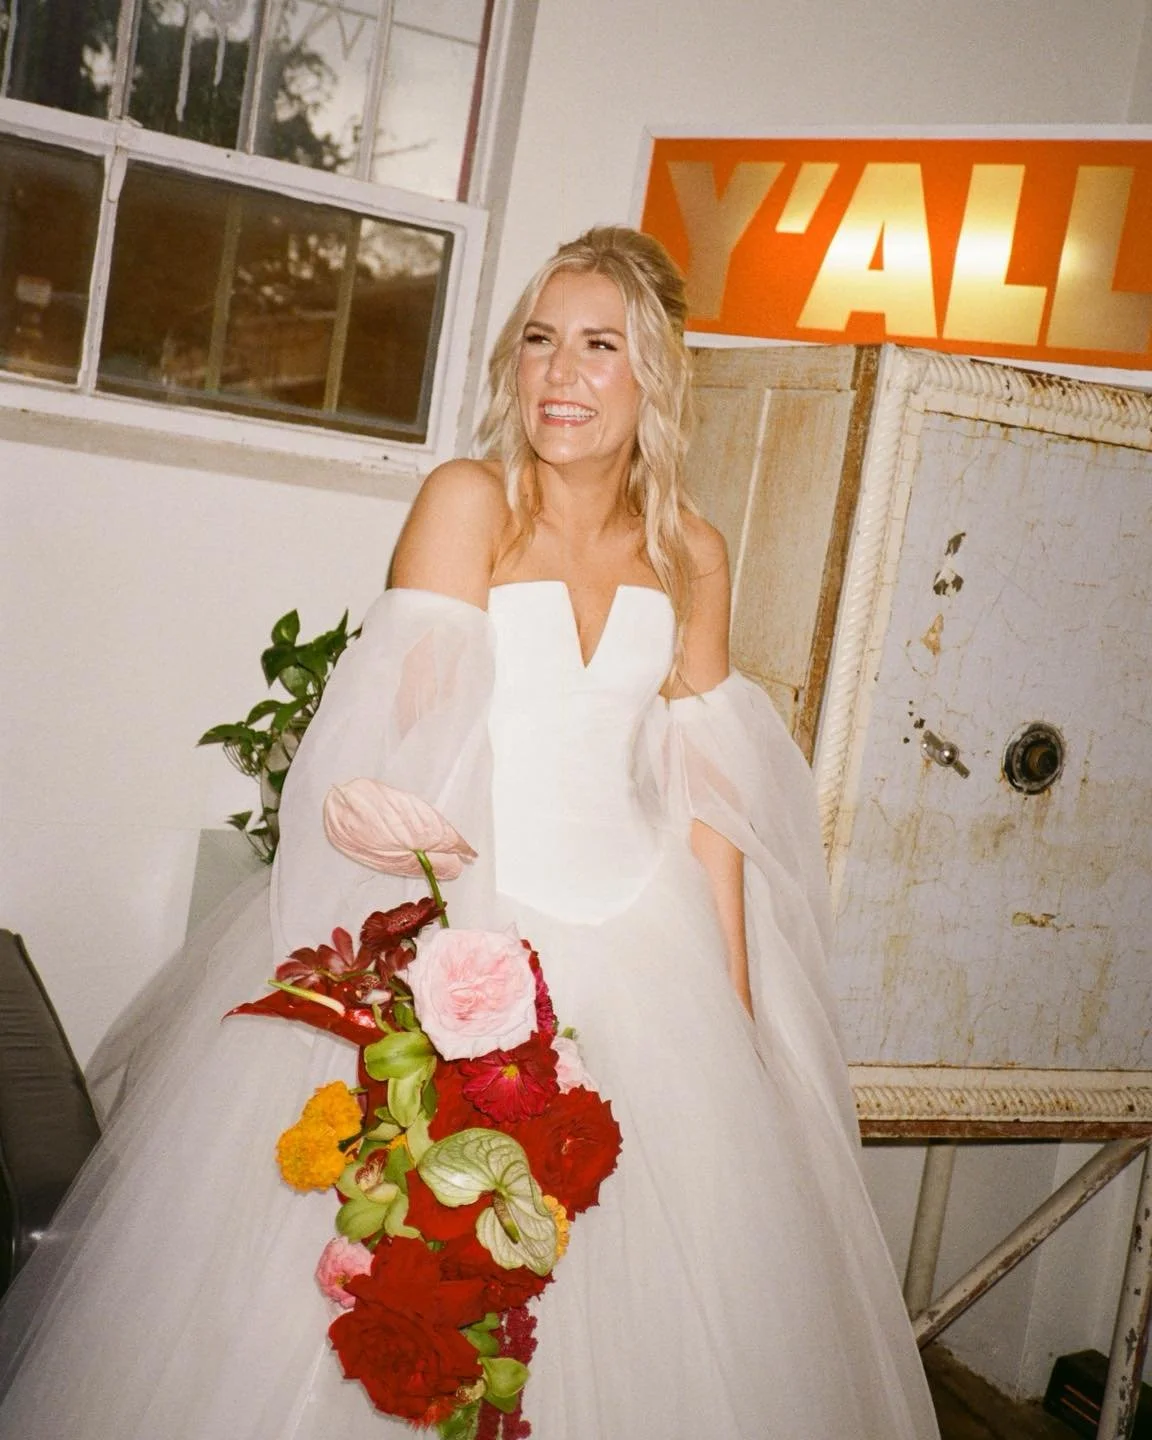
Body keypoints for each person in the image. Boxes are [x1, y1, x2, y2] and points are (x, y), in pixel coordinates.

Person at [0, 226, 940, 1439]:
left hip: (650, 953)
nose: (563, 373)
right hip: (475, 928)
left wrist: (742, 1017)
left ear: (656, 374)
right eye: (542, 341)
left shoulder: (694, 550)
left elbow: (711, 803)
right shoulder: (470, 504)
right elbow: (398, 746)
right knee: (406, 1271)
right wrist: (425, 971)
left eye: (602, 346)